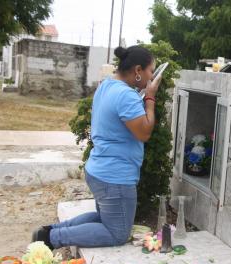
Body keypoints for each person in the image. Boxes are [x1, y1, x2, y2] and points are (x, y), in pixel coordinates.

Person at [32, 45, 162, 249]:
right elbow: (144, 133)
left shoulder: (107, 85)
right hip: (115, 177)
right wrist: (150, 98)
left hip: (99, 170)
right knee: (117, 233)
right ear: (138, 70)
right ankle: (50, 239)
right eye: (150, 71)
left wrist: (141, 94)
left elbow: (119, 116)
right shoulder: (126, 96)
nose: (152, 76)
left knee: (105, 219)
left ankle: (48, 231)